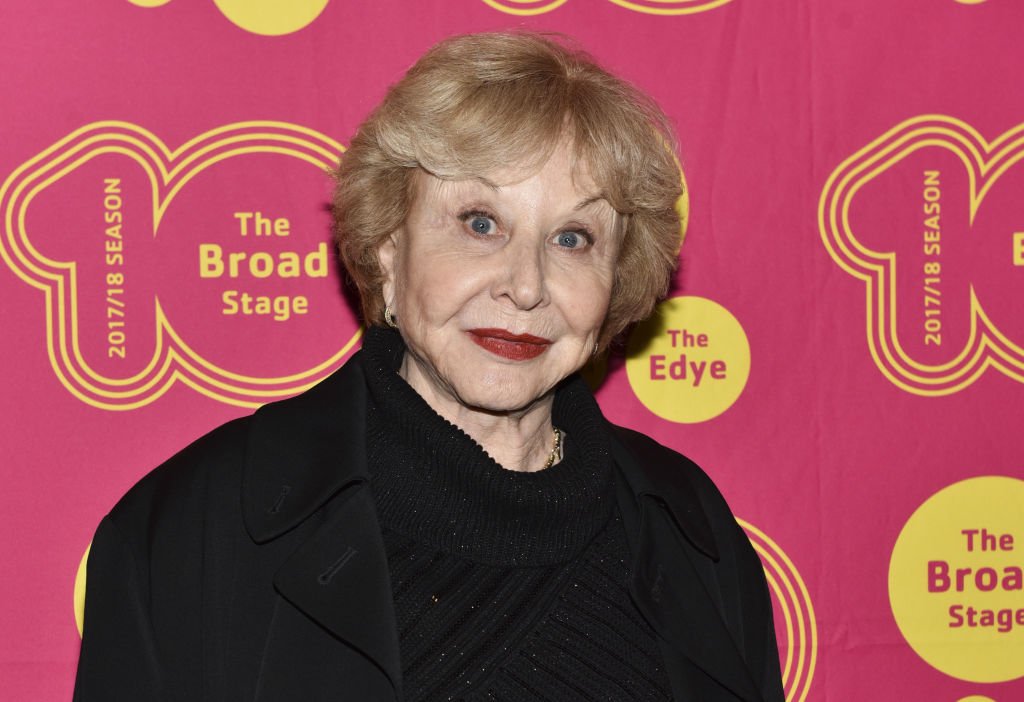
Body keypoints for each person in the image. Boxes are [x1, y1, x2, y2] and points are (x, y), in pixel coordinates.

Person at [74, 31, 784, 702]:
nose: (527, 285)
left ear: (616, 279)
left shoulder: (693, 533)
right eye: (480, 223)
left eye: (572, 238)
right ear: (388, 245)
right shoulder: (194, 528)